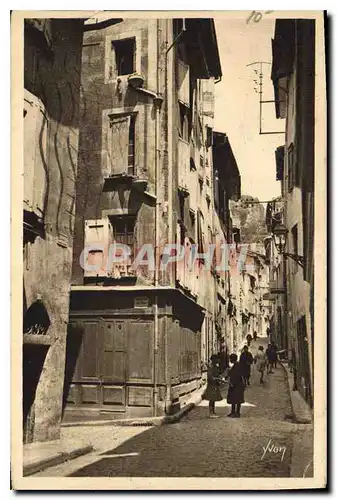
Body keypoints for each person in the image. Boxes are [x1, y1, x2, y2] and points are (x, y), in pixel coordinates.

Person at [226, 353, 245, 418]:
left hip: (237, 384)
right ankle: (233, 412)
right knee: (234, 399)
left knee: (237, 399)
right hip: (236, 384)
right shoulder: (236, 365)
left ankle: (237, 413)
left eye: (230, 359)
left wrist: (232, 383)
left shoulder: (237, 365)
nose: (229, 360)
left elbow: (236, 375)